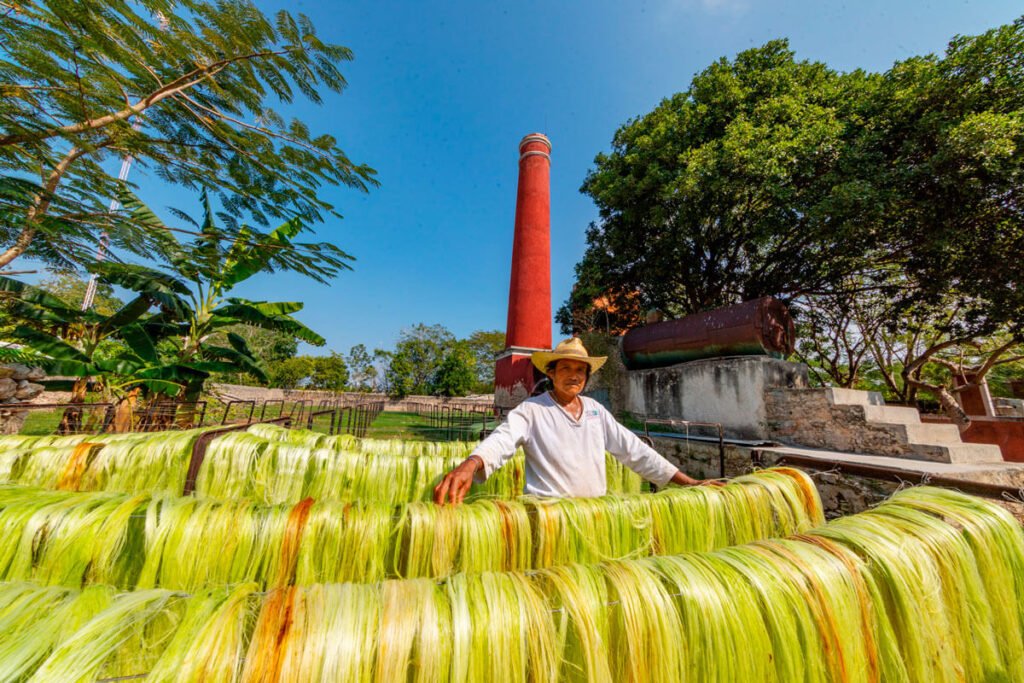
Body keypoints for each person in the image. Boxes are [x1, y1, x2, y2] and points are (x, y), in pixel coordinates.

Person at [433, 337, 722, 505]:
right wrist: (470, 465)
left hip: (593, 517)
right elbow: (502, 440)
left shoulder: (596, 411)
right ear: (551, 373)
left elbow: (634, 450)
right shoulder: (532, 411)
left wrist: (689, 482)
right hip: (546, 518)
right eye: (566, 368)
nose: (574, 375)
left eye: (580, 371)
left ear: (586, 377)